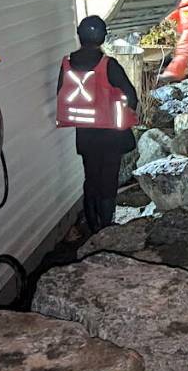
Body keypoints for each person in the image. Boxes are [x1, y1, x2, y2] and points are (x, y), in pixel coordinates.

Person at [55, 15, 138, 233]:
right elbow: (131, 96)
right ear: (102, 37)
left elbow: (61, 93)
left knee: (90, 178)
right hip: (110, 134)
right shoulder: (108, 64)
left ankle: (92, 225)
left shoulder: (66, 64)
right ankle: (106, 227)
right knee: (108, 179)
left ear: (79, 36)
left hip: (84, 133)